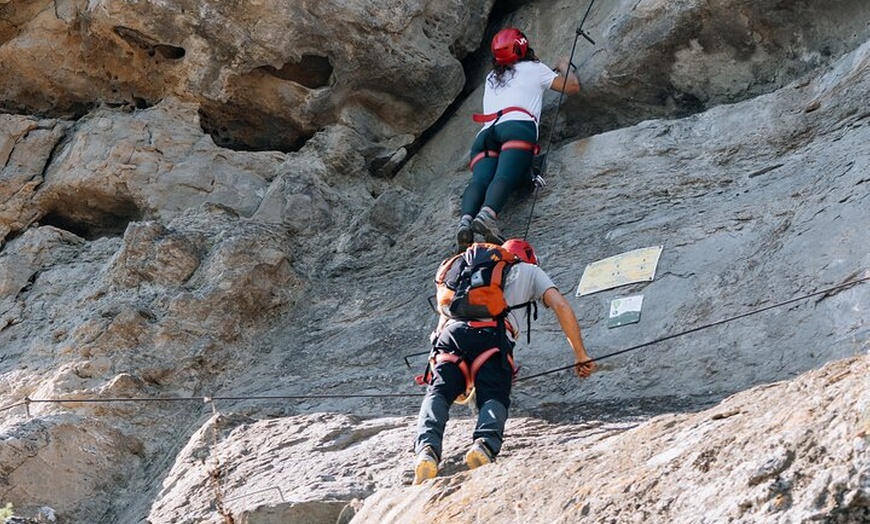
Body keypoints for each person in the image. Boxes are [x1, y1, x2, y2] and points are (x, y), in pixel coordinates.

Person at [412, 239, 595, 484]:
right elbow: (561, 306)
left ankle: (427, 449)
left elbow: (443, 319)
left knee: (439, 393)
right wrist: (580, 354)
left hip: (450, 337)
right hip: (491, 338)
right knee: (493, 394)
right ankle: (484, 445)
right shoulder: (530, 271)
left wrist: (434, 362)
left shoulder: (464, 271)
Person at [457, 28, 581, 250]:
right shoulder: (534, 68)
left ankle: (465, 222)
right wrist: (563, 65)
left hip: (486, 134)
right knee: (506, 174)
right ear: (523, 47)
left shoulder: (491, 77)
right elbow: (571, 87)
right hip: (517, 127)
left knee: (479, 181)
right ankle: (487, 216)